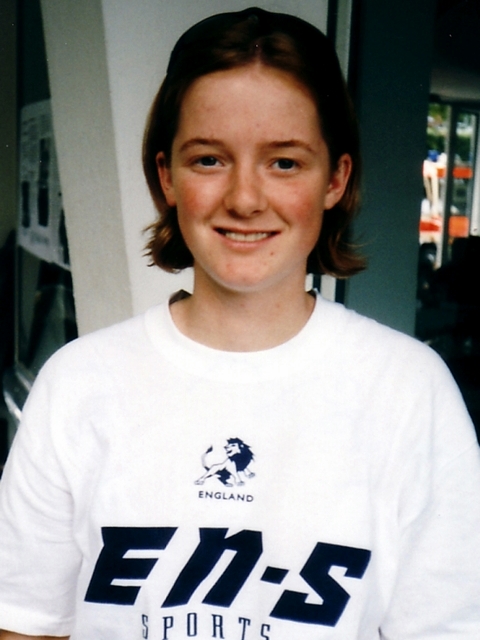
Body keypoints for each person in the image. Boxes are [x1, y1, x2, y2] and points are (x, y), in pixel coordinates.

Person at [0, 7, 479, 639]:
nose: (245, 199)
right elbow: (26, 625)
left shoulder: (411, 392)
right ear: (166, 175)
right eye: (209, 160)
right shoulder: (77, 383)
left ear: (336, 178)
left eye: (285, 163)